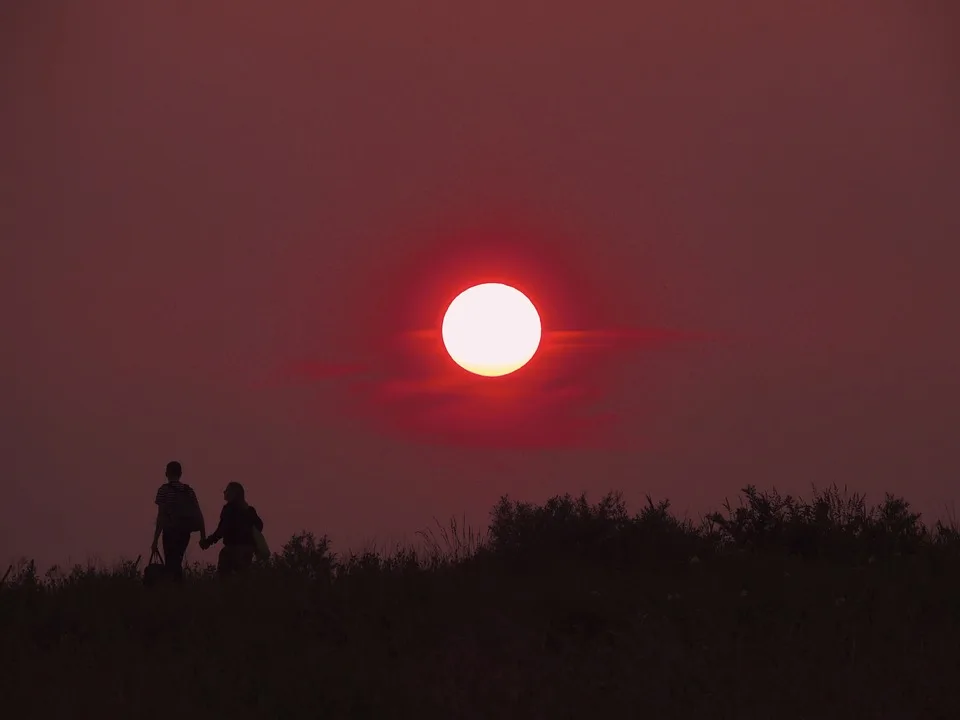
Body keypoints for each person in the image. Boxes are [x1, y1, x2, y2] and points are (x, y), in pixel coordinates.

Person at [151, 461, 205, 582]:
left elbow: (161, 516)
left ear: (166, 473)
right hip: (185, 532)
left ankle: (173, 589)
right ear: (180, 473)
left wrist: (155, 540)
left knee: (171, 562)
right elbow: (198, 513)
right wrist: (203, 535)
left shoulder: (163, 490)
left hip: (170, 531)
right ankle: (178, 588)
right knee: (177, 560)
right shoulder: (189, 491)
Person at [200, 481, 264, 576]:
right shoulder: (250, 510)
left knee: (224, 580)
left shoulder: (229, 509)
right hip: (247, 550)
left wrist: (208, 541)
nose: (224, 492)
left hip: (232, 549)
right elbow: (259, 525)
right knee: (243, 580)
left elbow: (222, 529)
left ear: (233, 493)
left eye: (227, 490)